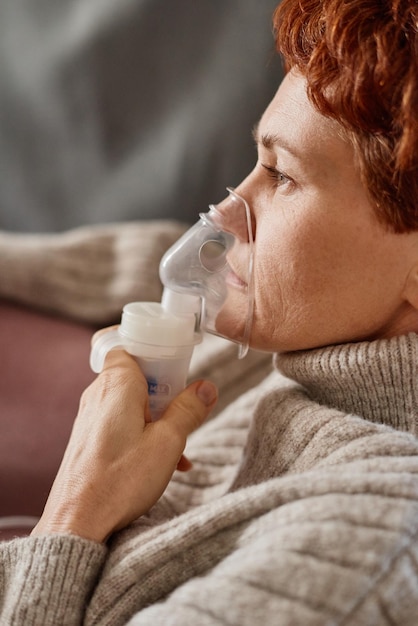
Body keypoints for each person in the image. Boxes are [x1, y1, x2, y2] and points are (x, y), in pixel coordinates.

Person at [1, 0, 418, 624]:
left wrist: (73, 513)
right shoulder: (303, 345)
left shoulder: (363, 550)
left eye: (282, 176)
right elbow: (138, 258)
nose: (224, 215)